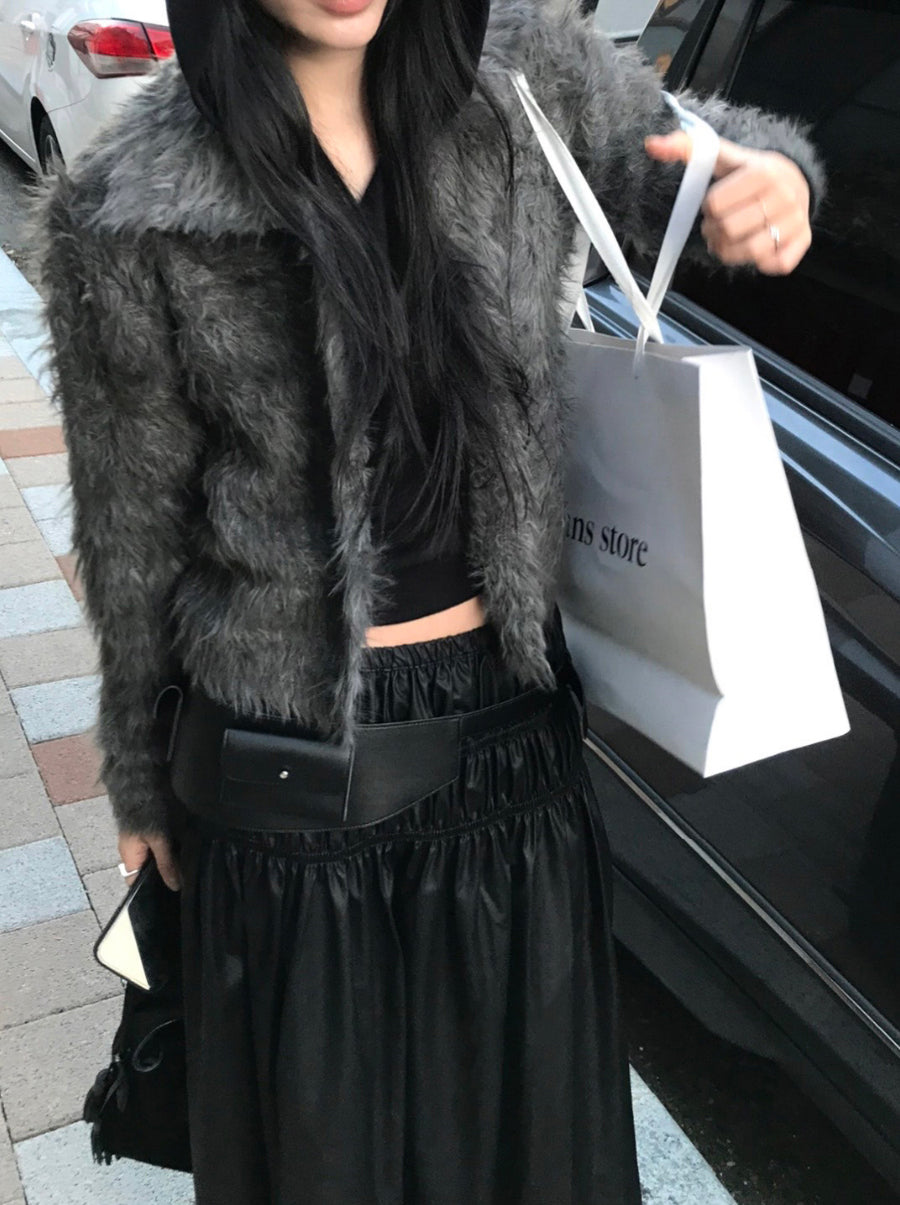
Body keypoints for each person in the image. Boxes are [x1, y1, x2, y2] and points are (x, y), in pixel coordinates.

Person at [28, 0, 823, 1200]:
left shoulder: (528, 79)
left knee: (526, 1149)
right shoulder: (125, 204)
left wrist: (773, 182)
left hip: (512, 747)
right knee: (325, 1158)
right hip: (288, 774)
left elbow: (697, 153)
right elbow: (132, 529)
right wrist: (138, 776)